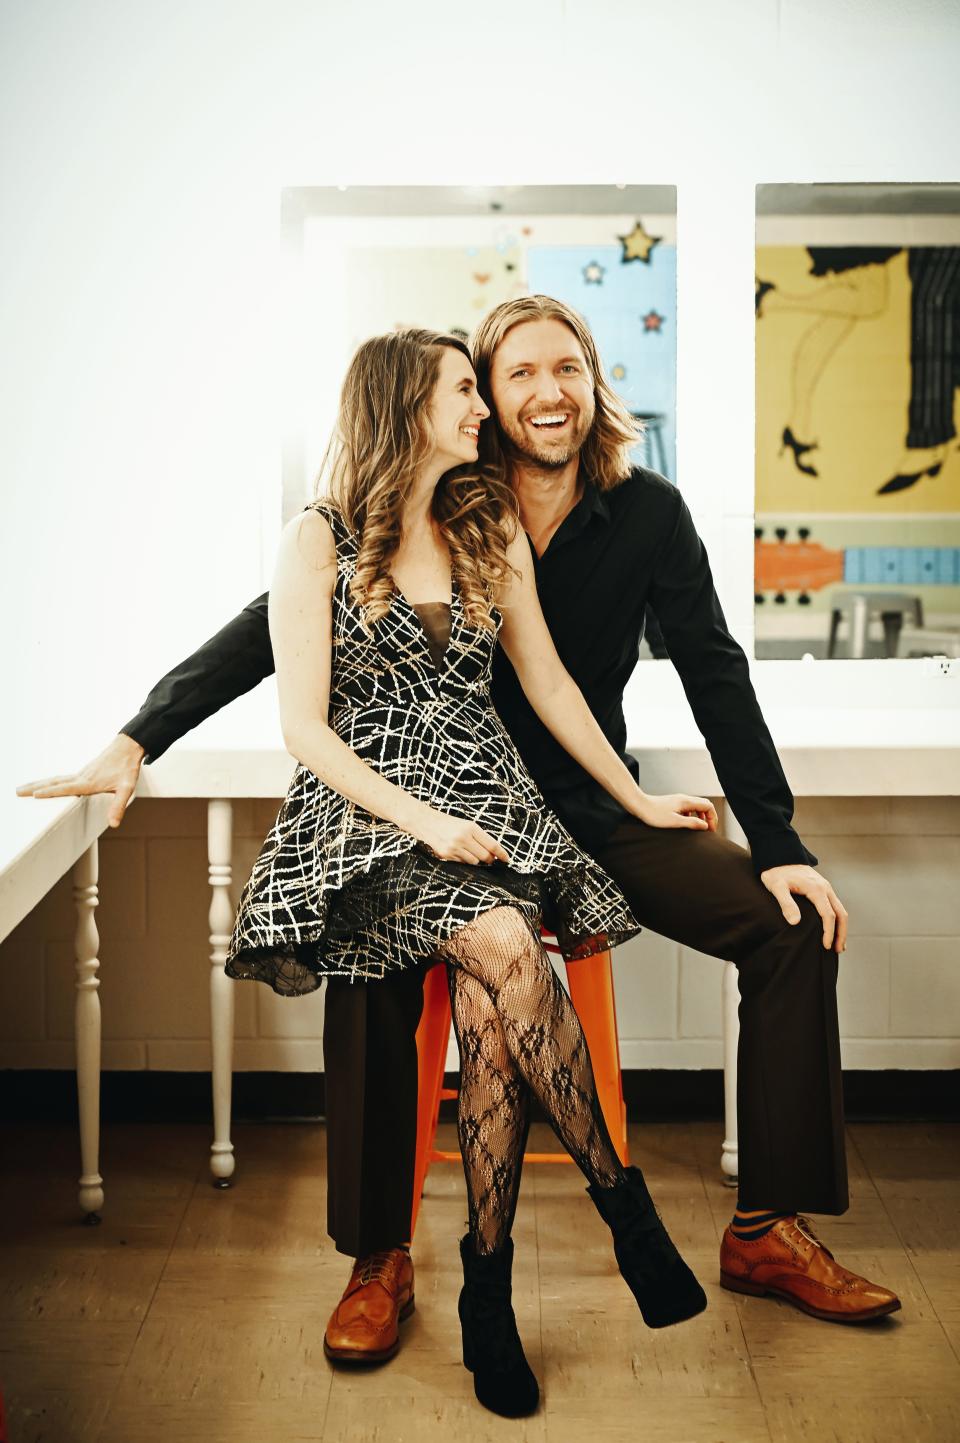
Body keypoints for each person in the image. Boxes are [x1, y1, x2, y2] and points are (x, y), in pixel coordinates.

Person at [18, 295, 901, 1360]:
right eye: (510, 375)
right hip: (437, 813)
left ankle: (767, 1228)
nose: (539, 395)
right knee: (373, 954)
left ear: (594, 383)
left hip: (583, 809)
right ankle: (379, 1256)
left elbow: (714, 671)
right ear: (472, 395)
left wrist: (782, 845)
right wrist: (138, 735)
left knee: (791, 924)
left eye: (563, 369)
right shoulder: (431, 507)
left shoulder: (647, 514)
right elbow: (272, 630)